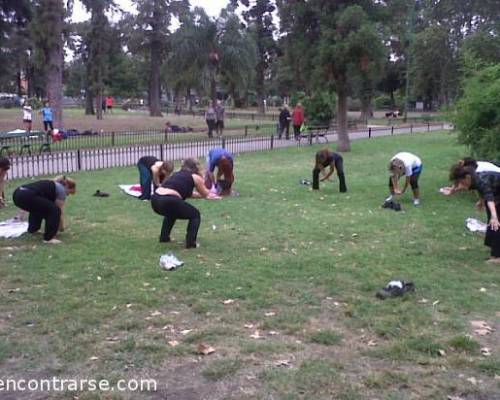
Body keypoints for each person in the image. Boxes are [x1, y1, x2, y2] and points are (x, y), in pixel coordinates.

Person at [151, 158, 221, 248]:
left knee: (172, 213)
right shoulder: (195, 177)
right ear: (196, 167)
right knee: (195, 215)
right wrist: (216, 195)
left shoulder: (177, 174)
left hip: (156, 199)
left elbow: (188, 193)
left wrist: (203, 195)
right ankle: (191, 243)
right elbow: (206, 194)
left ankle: (164, 238)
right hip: (169, 200)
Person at [449, 164, 500, 263]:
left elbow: (489, 197)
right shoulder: (474, 178)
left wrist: (494, 216)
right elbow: (483, 191)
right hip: (496, 195)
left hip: (496, 197)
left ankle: (498, 257)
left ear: (467, 177)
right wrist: (481, 201)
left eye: (462, 182)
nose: (462, 185)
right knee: (492, 222)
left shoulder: (481, 180)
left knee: (497, 223)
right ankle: (494, 247)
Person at [12, 176, 76, 244]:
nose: (66, 195)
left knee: (39, 208)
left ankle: (33, 229)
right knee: (54, 210)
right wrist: (61, 227)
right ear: (67, 186)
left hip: (17, 194)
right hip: (26, 195)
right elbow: (60, 212)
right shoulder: (61, 190)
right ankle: (49, 238)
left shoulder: (51, 185)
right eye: (68, 193)